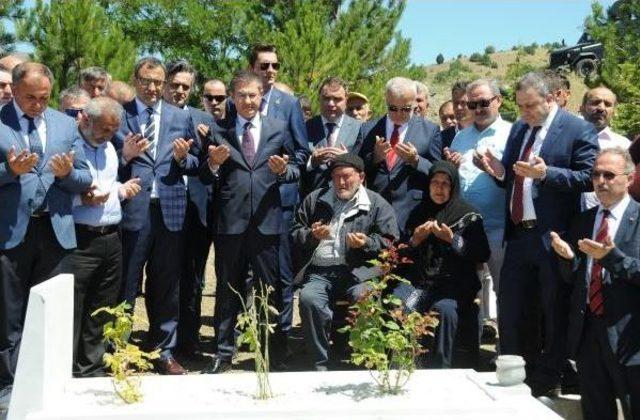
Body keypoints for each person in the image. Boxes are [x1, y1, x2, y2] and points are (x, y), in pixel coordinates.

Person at [475, 72, 599, 397]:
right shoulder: (519, 128)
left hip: (553, 237)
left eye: (530, 106)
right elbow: (513, 176)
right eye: (520, 107)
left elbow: (588, 177)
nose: (525, 113)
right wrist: (498, 171)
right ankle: (515, 376)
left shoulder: (577, 129)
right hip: (518, 236)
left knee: (553, 310)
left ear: (550, 98)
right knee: (513, 311)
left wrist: (547, 174)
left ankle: (547, 382)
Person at [200, 70, 304, 374]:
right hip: (230, 224)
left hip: (267, 223)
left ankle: (271, 350)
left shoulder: (277, 127)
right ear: (233, 97)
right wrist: (213, 164)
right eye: (242, 95)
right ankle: (223, 352)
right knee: (227, 289)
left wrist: (284, 171)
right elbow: (205, 177)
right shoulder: (219, 130)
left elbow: (298, 166)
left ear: (262, 97)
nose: (248, 100)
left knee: (268, 291)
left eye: (253, 95)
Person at [0, 62, 92, 402]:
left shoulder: (66, 124)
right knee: (9, 314)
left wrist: (68, 174)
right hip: (10, 232)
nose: (38, 105)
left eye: (44, 98)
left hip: (56, 232)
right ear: (15, 90)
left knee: (51, 311)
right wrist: (9, 171)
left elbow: (84, 179)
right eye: (30, 98)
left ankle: (50, 382)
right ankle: (8, 385)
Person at [115, 57, 198, 375]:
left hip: (171, 211)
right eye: (146, 81)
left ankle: (162, 350)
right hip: (133, 209)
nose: (152, 88)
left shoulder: (180, 116)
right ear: (135, 80)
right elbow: (108, 163)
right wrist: (126, 155)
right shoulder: (123, 115)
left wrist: (181, 157)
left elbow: (195, 163)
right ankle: (118, 349)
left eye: (158, 82)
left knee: (167, 283)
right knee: (127, 282)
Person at [550, 147, 640, 420]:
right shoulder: (584, 220)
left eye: (609, 175)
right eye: (596, 174)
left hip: (630, 337)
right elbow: (576, 279)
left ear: (630, 178)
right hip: (589, 332)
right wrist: (568, 260)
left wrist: (612, 257)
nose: (600, 181)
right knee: (596, 412)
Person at [292, 153, 399, 371]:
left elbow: (391, 242)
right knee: (309, 298)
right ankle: (319, 364)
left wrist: (367, 243)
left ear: (361, 176)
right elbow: (294, 233)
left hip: (359, 273)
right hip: (320, 272)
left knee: (364, 298)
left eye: (347, 176)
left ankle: (365, 360)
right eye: (336, 177)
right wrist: (312, 236)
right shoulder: (315, 199)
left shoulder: (376, 204)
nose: (341, 182)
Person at [70, 97, 141, 377]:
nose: (109, 135)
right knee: (74, 307)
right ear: (86, 120)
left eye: (113, 130)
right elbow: (61, 188)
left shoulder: (110, 148)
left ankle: (90, 368)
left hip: (111, 238)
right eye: (105, 129)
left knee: (102, 307)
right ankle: (65, 368)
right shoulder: (71, 148)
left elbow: (108, 186)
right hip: (81, 240)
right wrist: (81, 199)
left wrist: (122, 190)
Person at [395, 161, 490, 368]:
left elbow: (482, 253)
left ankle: (441, 371)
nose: (439, 188)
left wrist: (453, 239)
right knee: (402, 306)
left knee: (443, 311)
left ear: (454, 187)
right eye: (435, 182)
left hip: (454, 287)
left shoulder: (468, 215)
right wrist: (415, 240)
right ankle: (403, 369)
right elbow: (400, 252)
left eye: (445, 183)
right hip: (420, 284)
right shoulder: (418, 212)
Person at [247, 44, 310, 339]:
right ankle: (249, 332)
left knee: (282, 274)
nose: (270, 71)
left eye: (275, 65)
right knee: (247, 274)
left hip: (279, 203)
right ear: (252, 69)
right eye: (264, 65)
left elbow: (301, 153)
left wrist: (284, 169)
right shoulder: (242, 101)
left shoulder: (288, 104)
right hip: (243, 204)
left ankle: (281, 338)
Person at [446, 78, 511, 332]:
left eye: (484, 103)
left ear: (499, 101)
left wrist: (495, 170)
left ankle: (505, 354)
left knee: (504, 291)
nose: (478, 109)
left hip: (499, 226)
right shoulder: (460, 137)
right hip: (465, 228)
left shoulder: (513, 133)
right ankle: (471, 347)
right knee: (468, 289)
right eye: (473, 104)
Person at [162, 60, 215, 357]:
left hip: (194, 210)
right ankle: (160, 338)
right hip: (158, 210)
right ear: (164, 84)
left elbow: (208, 166)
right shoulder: (152, 117)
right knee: (162, 276)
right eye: (175, 85)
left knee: (193, 277)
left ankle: (188, 339)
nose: (180, 90)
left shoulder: (200, 119)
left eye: (185, 86)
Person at [360, 76, 441, 237]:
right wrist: (375, 157)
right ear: (386, 100)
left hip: (413, 216)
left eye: (405, 109)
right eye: (392, 108)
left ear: (415, 104)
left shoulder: (430, 131)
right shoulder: (367, 129)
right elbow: (358, 169)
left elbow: (439, 172)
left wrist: (416, 161)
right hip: (375, 214)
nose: (398, 114)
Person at [301, 76, 363, 197]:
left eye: (337, 99)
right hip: (313, 199)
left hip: (347, 200)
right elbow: (296, 167)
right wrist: (312, 162)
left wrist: (348, 160)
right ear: (319, 98)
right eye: (326, 98)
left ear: (346, 99)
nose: (330, 103)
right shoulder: (305, 128)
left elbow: (366, 166)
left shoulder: (359, 128)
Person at [580, 86, 630, 209]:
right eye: (595, 102)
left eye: (607, 104)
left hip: (609, 219)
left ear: (614, 111)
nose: (601, 108)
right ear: (582, 109)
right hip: (570, 217)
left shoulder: (624, 145)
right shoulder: (566, 138)